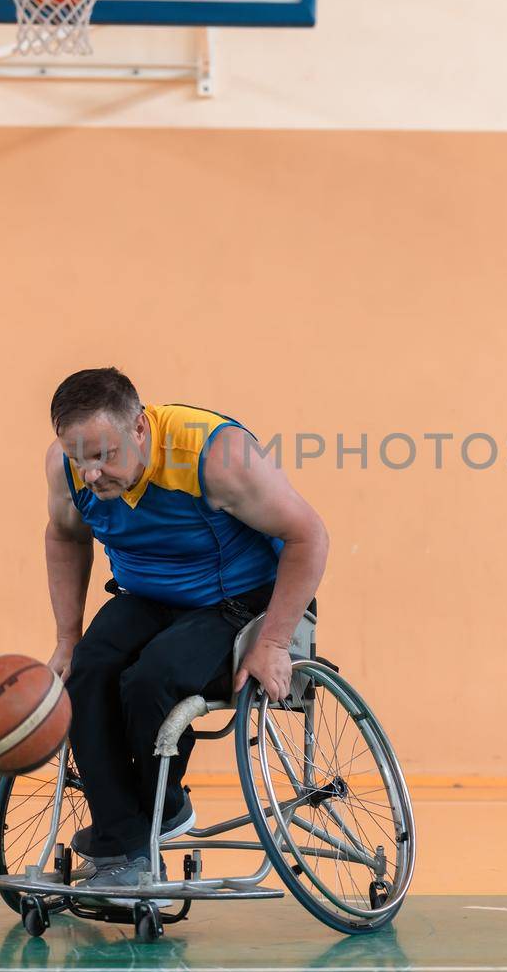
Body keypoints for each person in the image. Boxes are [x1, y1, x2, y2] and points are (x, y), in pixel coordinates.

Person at [42, 367, 328, 902]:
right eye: (79, 458)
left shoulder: (213, 456)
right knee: (86, 672)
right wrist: (66, 638)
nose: (90, 472)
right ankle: (122, 841)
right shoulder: (66, 468)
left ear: (140, 430)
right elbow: (64, 538)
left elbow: (308, 536)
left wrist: (271, 643)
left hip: (242, 600)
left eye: (103, 455)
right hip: (148, 597)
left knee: (154, 676)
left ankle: (163, 808)